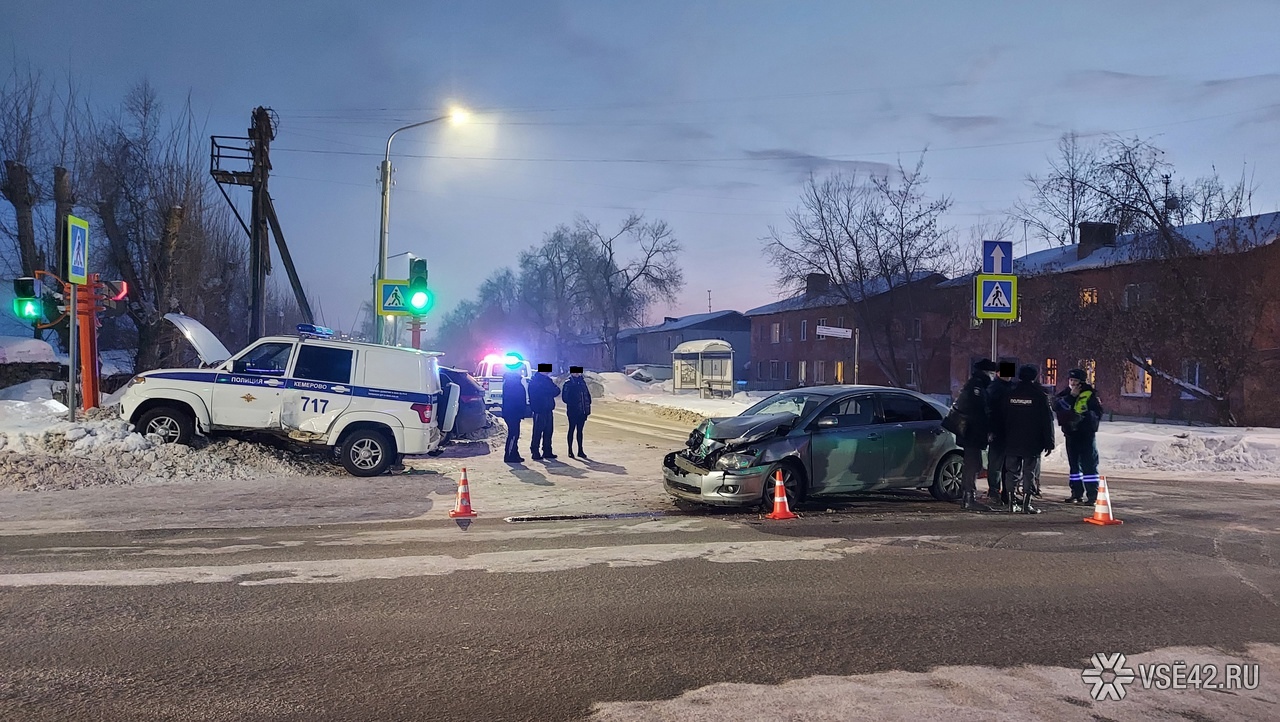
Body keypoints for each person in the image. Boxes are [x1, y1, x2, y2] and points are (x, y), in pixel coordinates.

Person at [994, 364, 1056, 514]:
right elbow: (1047, 421)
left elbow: (1000, 417)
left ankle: (1011, 503)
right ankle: (1026, 504)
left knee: (1011, 472)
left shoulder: (1010, 393)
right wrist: (1049, 442)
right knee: (1029, 472)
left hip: (1012, 440)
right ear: (1034, 377)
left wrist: (999, 436)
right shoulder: (1040, 395)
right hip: (1032, 442)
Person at [953, 358, 1000, 511]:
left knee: (975, 464)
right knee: (972, 465)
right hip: (972, 433)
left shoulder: (976, 385)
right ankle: (968, 498)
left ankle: (968, 496)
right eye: (992, 373)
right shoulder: (976, 387)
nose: (993, 376)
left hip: (972, 433)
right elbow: (979, 413)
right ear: (986, 372)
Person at [1055, 368, 1105, 504]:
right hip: (1071, 435)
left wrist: (1084, 419)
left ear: (1082, 382)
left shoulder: (1090, 395)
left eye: (1075, 381)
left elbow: (1097, 414)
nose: (1072, 383)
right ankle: (1076, 493)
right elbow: (1057, 406)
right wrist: (1071, 396)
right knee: (1074, 468)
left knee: (1089, 466)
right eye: (1071, 380)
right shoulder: (1066, 394)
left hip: (1086, 436)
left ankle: (1092, 495)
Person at [984, 362, 1017, 506]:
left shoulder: (1008, 387)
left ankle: (1006, 494)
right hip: (999, 431)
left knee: (1006, 466)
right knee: (996, 465)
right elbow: (990, 411)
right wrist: (991, 429)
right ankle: (994, 492)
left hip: (1008, 431)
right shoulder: (995, 388)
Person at [527, 363, 559, 460]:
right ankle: (535, 451)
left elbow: (557, 391)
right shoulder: (535, 381)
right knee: (537, 432)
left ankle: (547, 450)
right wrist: (548, 391)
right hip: (539, 410)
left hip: (548, 409)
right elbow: (538, 393)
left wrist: (548, 391)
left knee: (548, 431)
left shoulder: (547, 380)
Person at [500, 362, 529, 463]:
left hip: (514, 412)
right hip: (512, 412)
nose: (521, 372)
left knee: (515, 434)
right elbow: (515, 399)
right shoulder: (512, 382)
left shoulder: (513, 381)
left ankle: (514, 454)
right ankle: (508, 455)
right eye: (520, 369)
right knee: (513, 434)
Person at [561, 366, 592, 458]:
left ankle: (580, 450)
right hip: (573, 411)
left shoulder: (582, 382)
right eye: (575, 372)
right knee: (571, 430)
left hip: (582, 411)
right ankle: (570, 450)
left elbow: (587, 395)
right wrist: (573, 403)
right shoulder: (568, 383)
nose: (577, 374)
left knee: (580, 431)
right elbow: (565, 398)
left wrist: (587, 406)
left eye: (578, 372)